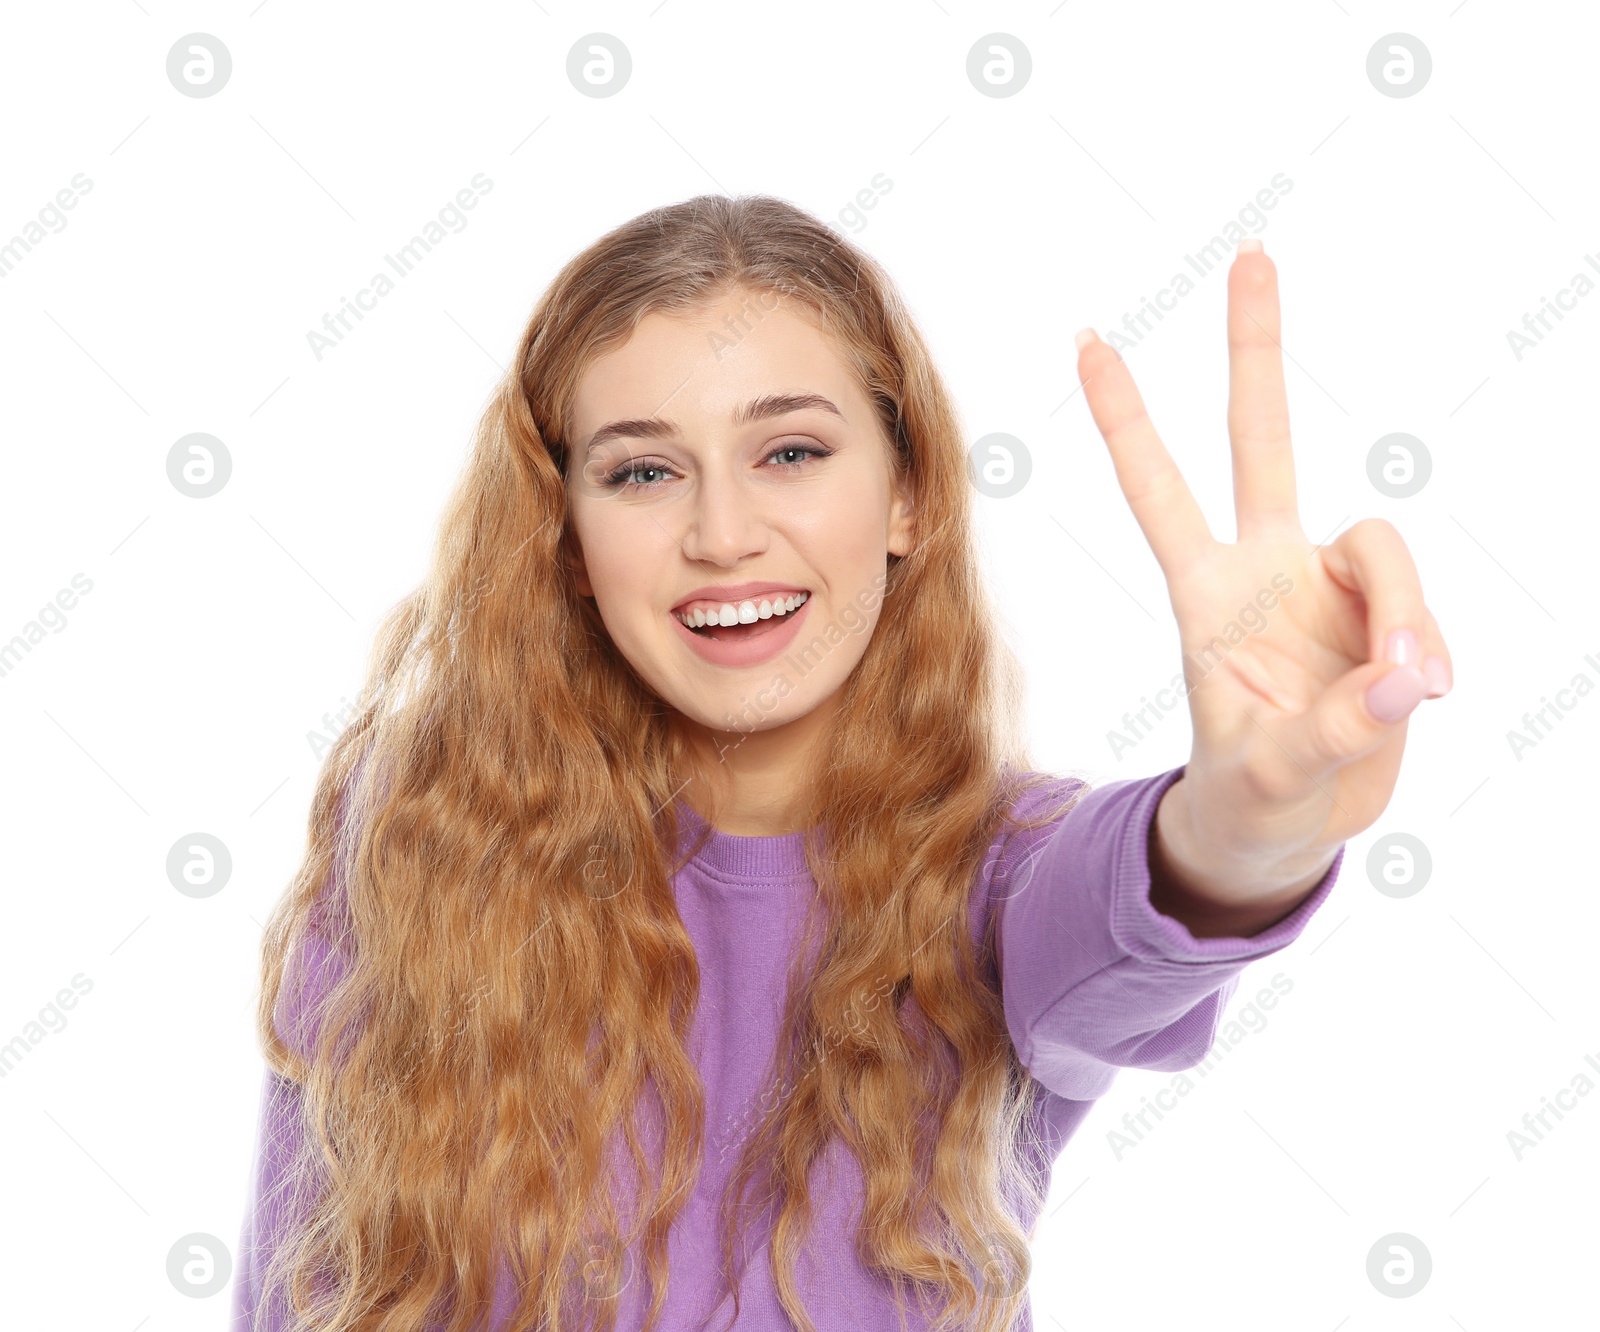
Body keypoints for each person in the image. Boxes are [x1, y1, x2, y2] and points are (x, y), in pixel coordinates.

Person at [231, 194, 1451, 1332]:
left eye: (793, 453)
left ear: (908, 491)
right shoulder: (425, 850)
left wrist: (1253, 818)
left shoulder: (997, 879)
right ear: (566, 540)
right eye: (643, 472)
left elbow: (1143, 901)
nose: (721, 534)